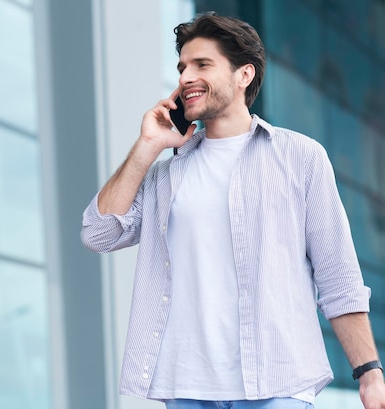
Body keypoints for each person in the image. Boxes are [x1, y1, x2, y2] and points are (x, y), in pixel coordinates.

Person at [80, 12, 385, 409]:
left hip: (277, 384)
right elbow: (98, 234)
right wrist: (147, 146)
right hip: (187, 388)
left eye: (202, 64)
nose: (186, 77)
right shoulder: (164, 175)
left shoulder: (300, 157)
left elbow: (337, 275)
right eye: (182, 67)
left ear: (244, 75)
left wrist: (369, 373)